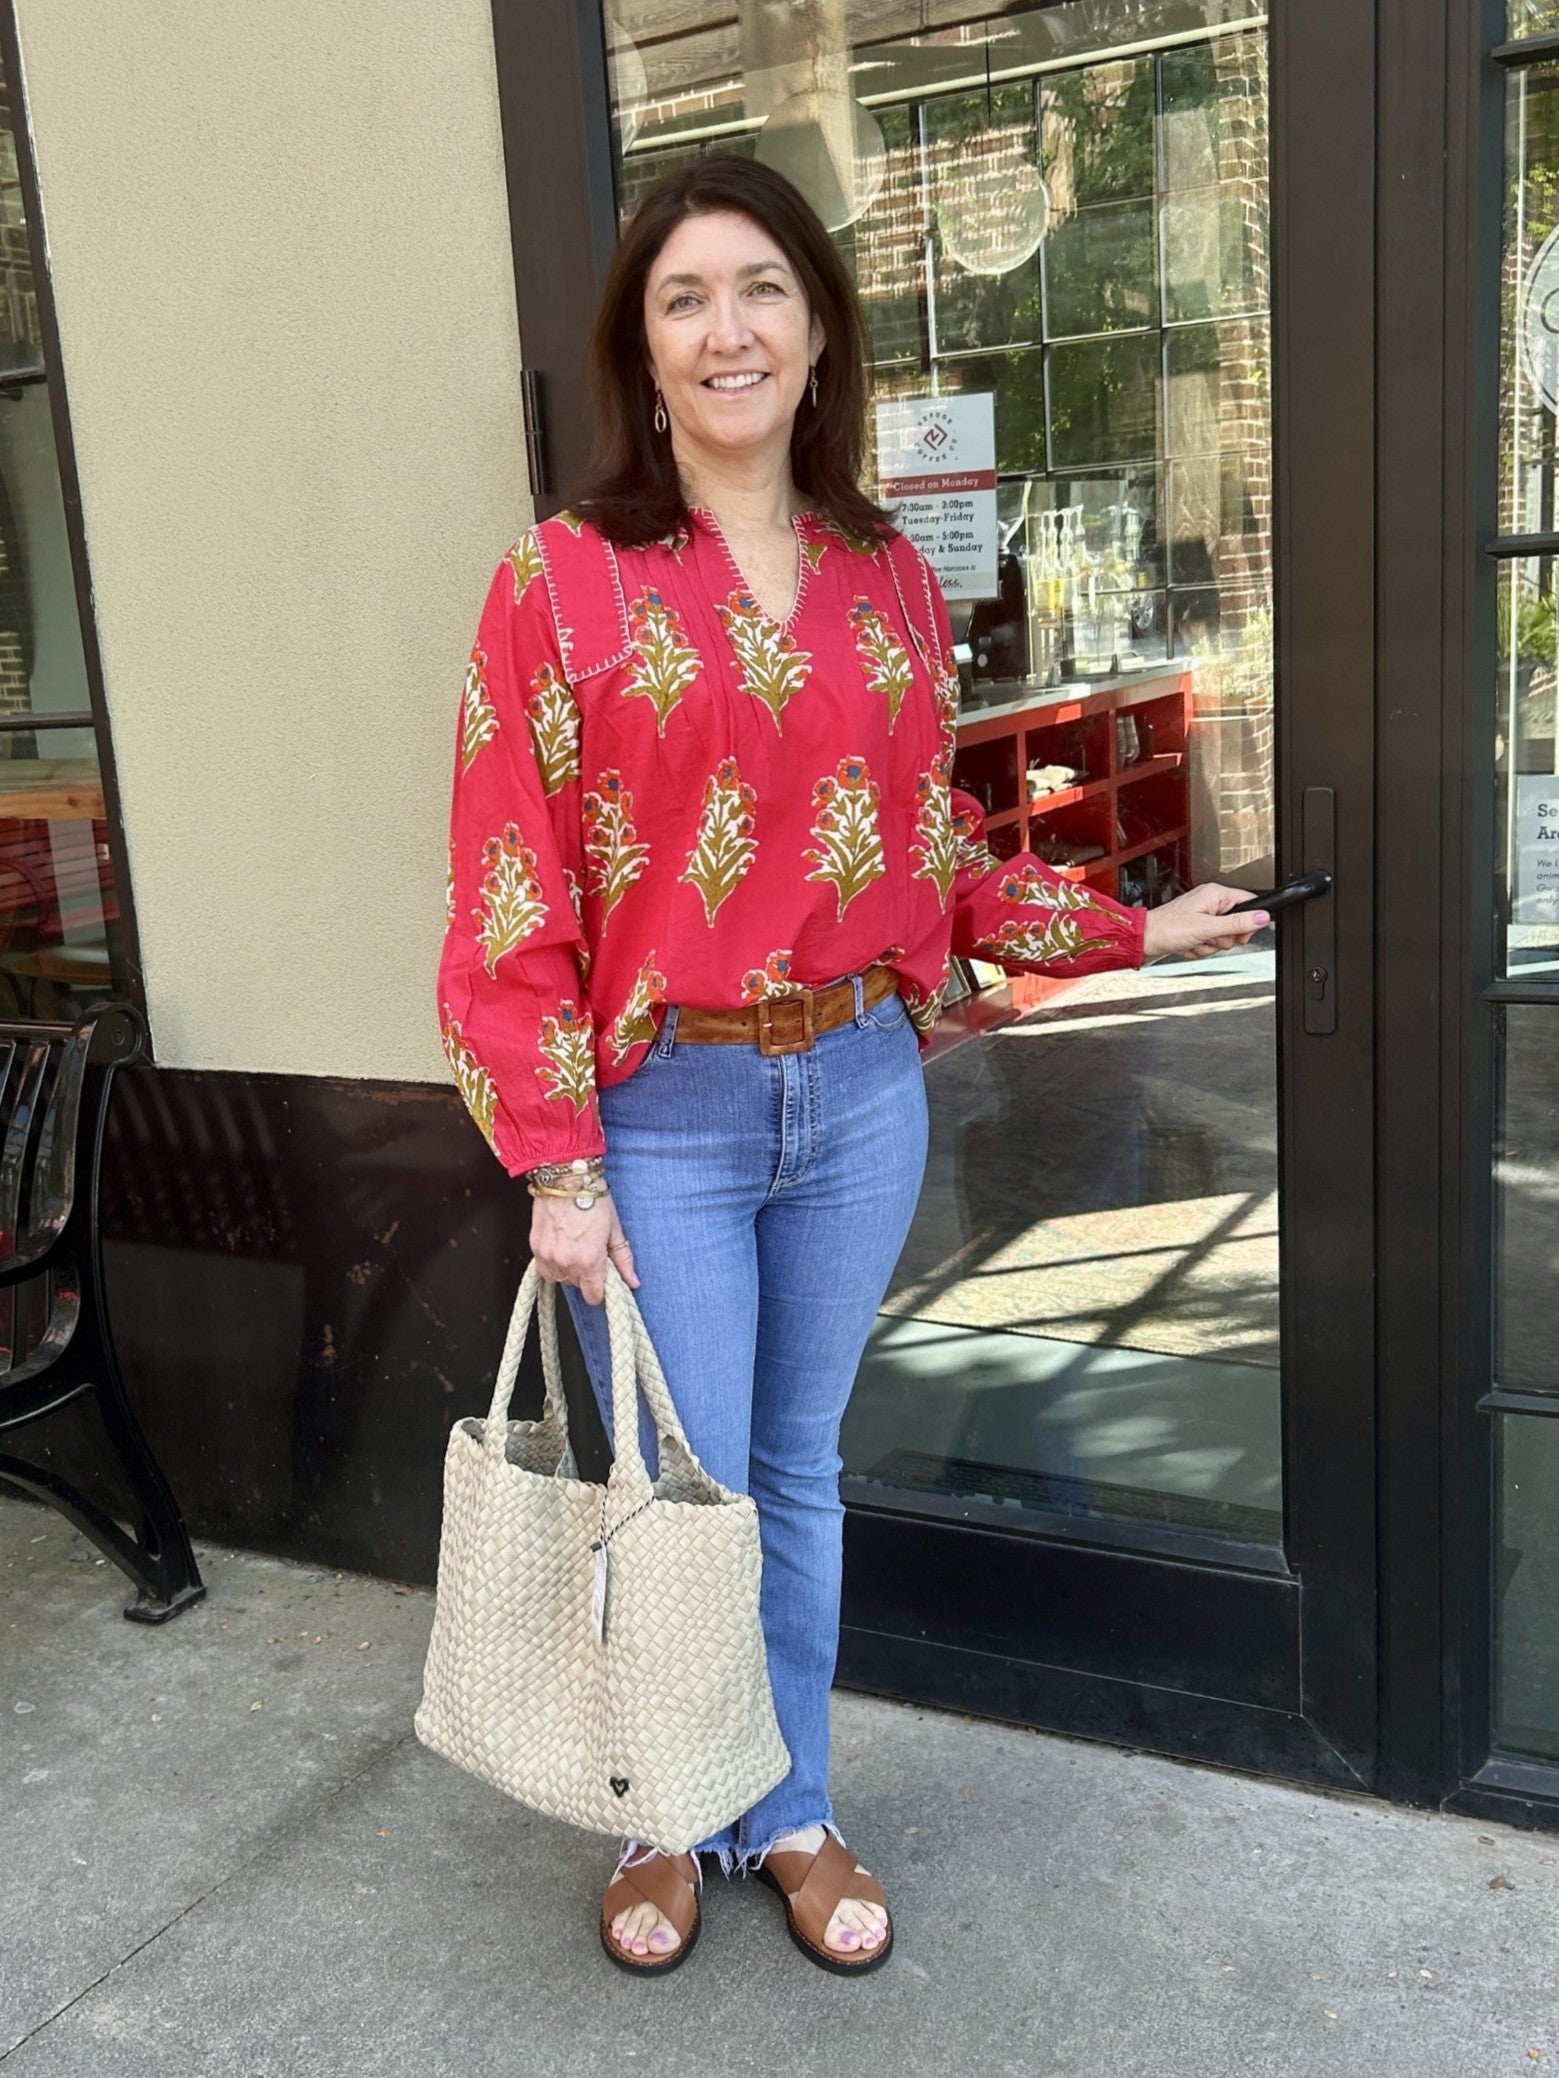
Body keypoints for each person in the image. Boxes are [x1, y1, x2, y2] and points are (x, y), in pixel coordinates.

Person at [436, 154, 1268, 1980]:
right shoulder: (558, 582)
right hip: (662, 1114)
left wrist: (1133, 924)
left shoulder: (886, 577)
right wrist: (560, 1167)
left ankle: (790, 1802)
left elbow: (934, 855)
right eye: (683, 299)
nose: (725, 328)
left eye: (760, 293)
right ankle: (670, 1804)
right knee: (682, 1488)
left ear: (818, 336)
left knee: (796, 1473)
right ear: (642, 354)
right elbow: (511, 888)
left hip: (861, 1092)